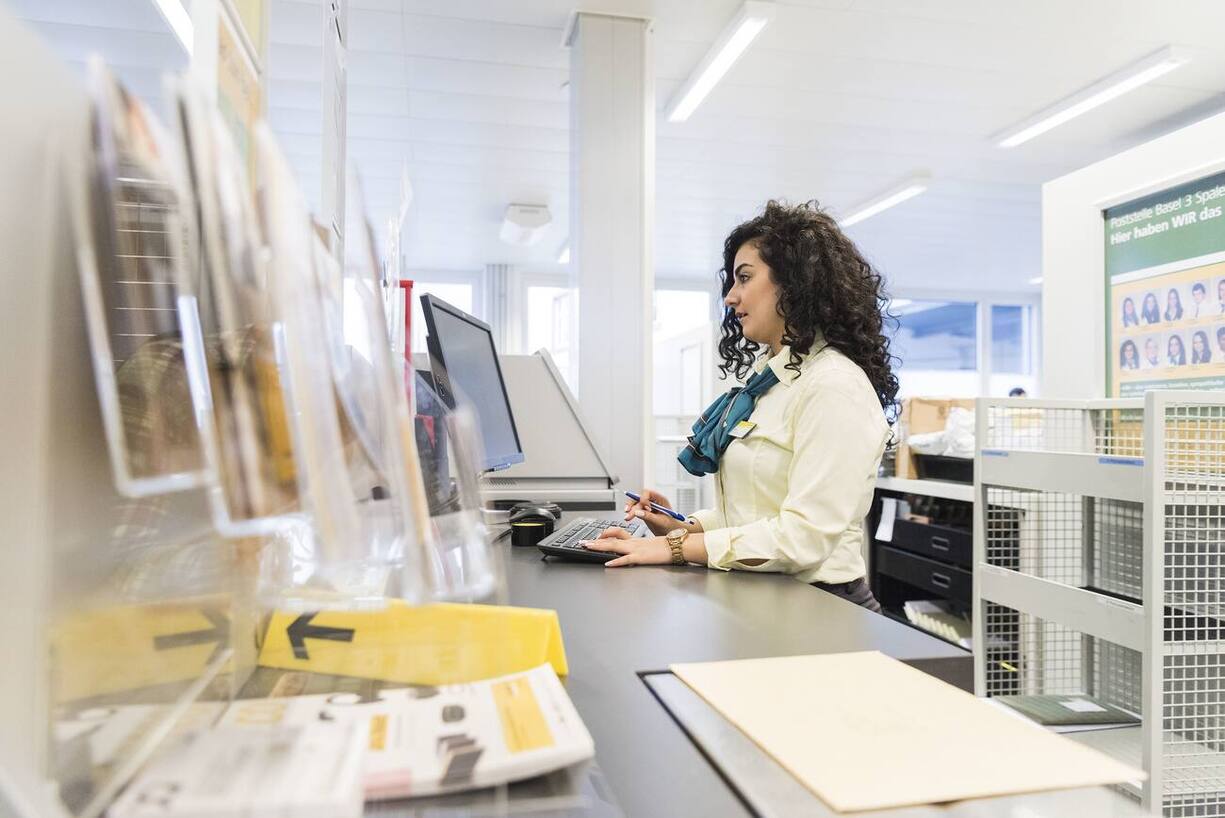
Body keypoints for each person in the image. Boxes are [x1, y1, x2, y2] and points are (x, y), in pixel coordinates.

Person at [584, 200, 895, 612]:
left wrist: (676, 547)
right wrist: (682, 526)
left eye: (744, 278)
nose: (730, 297)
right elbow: (759, 514)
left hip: (821, 606)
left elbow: (803, 537)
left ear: (795, 283)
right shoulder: (772, 380)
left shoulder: (833, 387)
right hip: (766, 600)